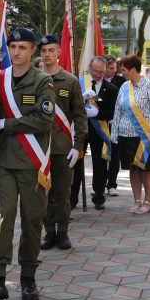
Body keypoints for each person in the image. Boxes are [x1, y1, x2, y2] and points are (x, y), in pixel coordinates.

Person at [0, 27, 55, 300]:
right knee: (3, 219)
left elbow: (43, 119)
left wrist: (7, 124)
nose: (16, 52)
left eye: (22, 47)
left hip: (32, 163)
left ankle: (28, 279)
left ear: (32, 50)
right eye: (12, 47)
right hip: (4, 162)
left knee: (31, 221)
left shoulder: (42, 82)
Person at [38, 33, 88, 250]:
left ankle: (63, 232)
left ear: (59, 51)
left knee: (63, 192)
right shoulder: (33, 79)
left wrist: (78, 146)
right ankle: (49, 232)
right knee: (43, 193)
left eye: (51, 50)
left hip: (63, 148)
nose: (47, 54)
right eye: (43, 51)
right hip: (38, 149)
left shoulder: (70, 81)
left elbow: (80, 115)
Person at [110, 54, 150, 214]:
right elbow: (118, 110)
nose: (122, 73)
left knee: (146, 169)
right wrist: (114, 131)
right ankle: (137, 200)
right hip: (126, 134)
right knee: (133, 168)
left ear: (133, 69)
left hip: (144, 136)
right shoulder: (125, 87)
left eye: (124, 70)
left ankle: (148, 201)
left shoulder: (149, 86)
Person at [70, 55, 119, 210]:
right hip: (80, 129)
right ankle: (72, 198)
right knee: (75, 163)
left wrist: (96, 114)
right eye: (95, 71)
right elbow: (69, 105)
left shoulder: (111, 88)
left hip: (100, 130)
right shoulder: (78, 83)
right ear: (90, 68)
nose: (98, 75)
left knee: (100, 163)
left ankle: (99, 196)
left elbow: (113, 111)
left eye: (101, 72)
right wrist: (81, 99)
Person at [104, 54, 125, 196]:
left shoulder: (121, 81)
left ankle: (112, 184)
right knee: (100, 156)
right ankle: (98, 183)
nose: (114, 71)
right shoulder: (93, 81)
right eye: (111, 68)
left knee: (115, 155)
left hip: (115, 123)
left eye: (115, 68)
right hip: (99, 123)